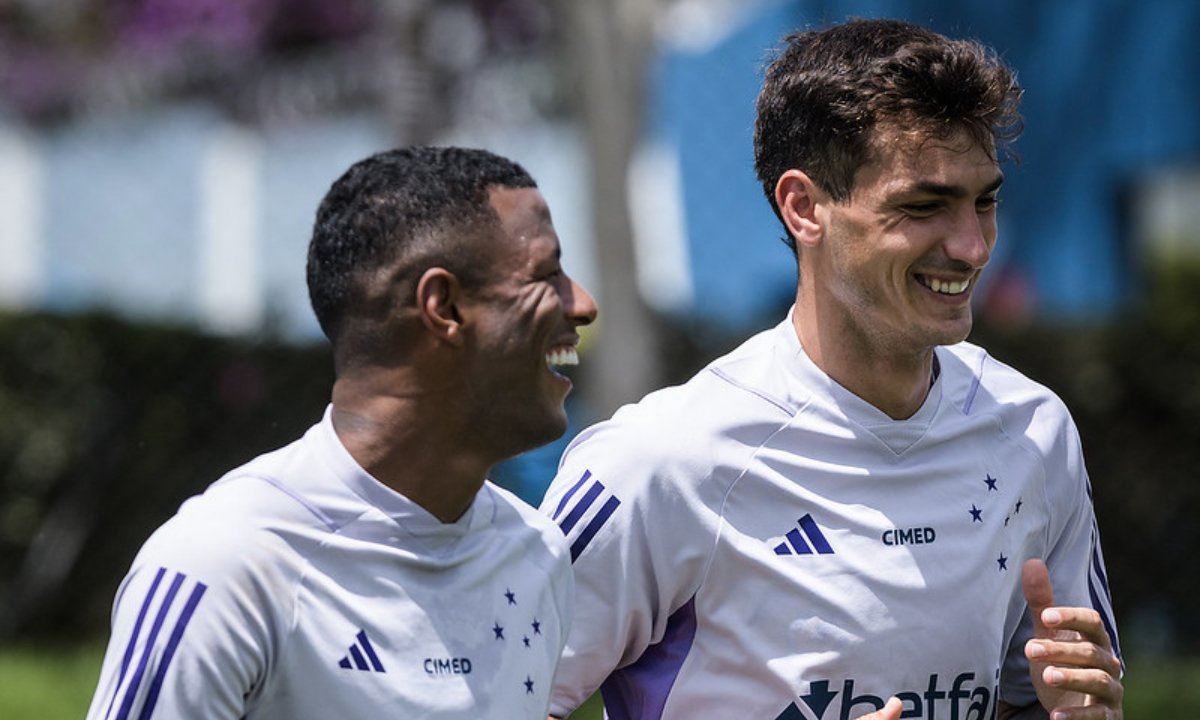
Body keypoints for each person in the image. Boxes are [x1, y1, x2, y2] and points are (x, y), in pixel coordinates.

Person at [541, 18, 1122, 720]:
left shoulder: (1033, 432)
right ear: (804, 207)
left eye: (985, 201)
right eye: (923, 206)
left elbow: (1039, 701)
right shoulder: (659, 463)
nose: (972, 247)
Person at [85, 146, 598, 719]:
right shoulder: (224, 565)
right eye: (547, 274)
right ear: (444, 307)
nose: (582, 304)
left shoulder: (535, 555)